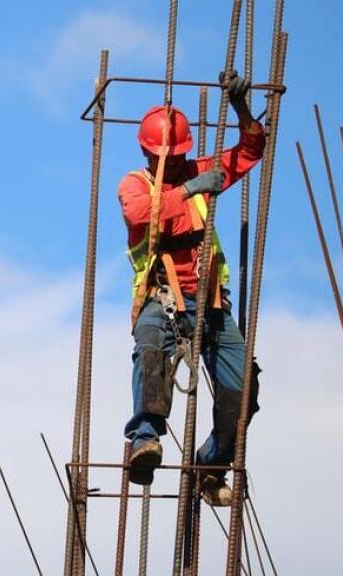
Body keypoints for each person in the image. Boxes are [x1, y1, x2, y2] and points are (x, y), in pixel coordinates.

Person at [118, 70, 264, 506]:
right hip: (162, 300)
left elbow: (250, 151)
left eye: (181, 155)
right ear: (148, 152)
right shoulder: (135, 185)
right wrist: (188, 188)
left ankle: (210, 465)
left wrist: (240, 109)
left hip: (212, 304)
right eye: (169, 157)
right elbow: (140, 215)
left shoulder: (200, 172)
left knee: (242, 396)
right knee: (150, 348)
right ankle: (146, 438)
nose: (177, 162)